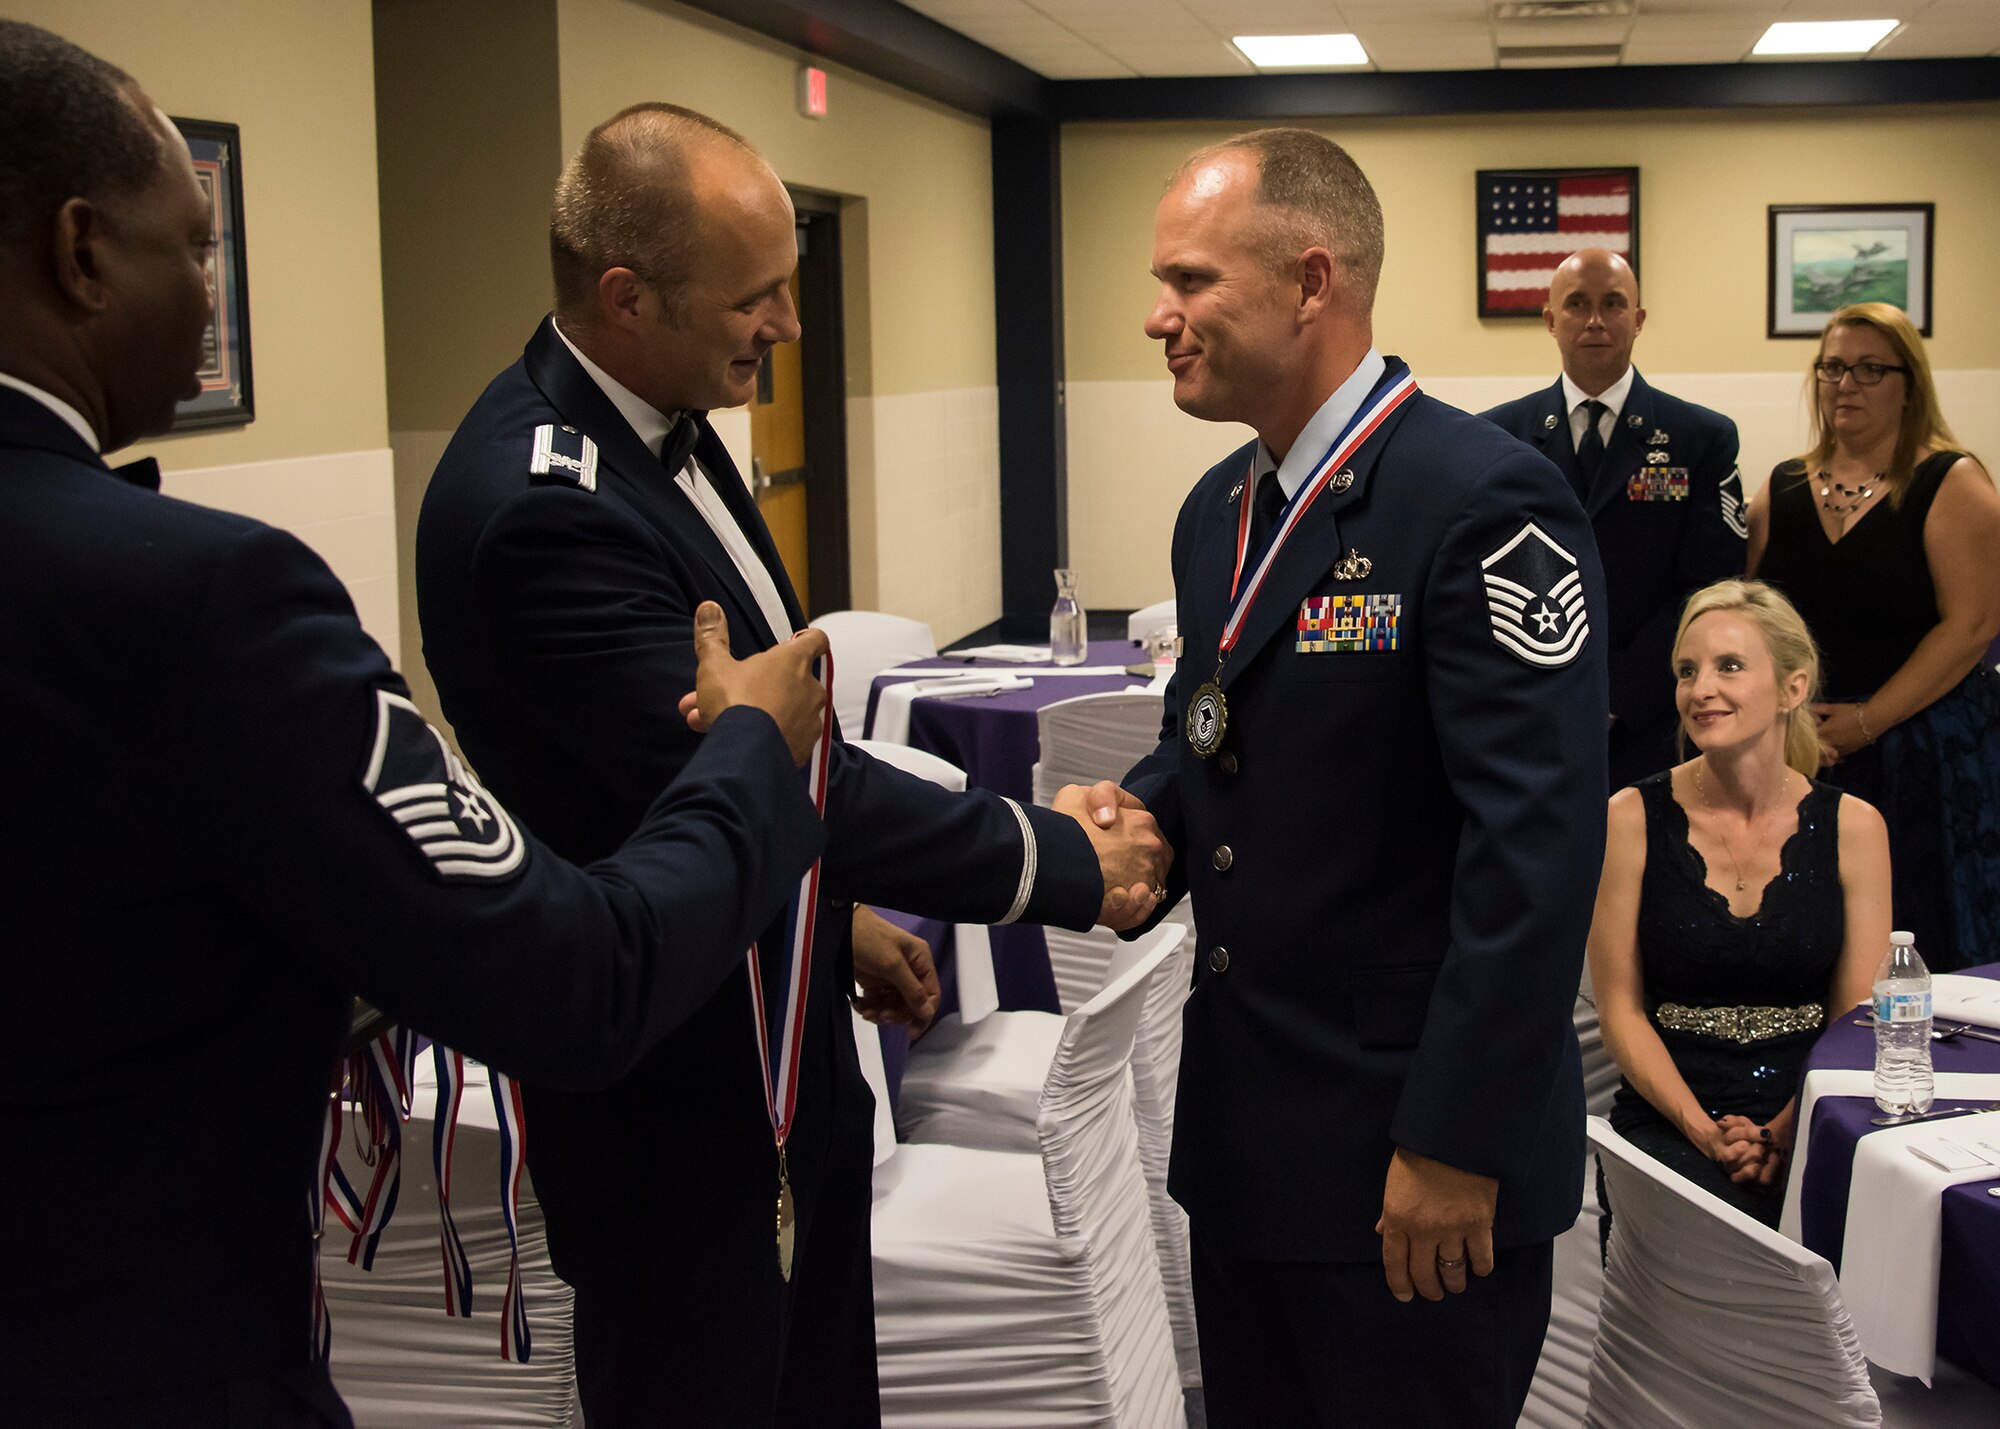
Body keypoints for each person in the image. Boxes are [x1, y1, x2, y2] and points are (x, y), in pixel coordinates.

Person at [0, 22, 841, 1427]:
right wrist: (751, 748)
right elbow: (573, 979)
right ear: (82, 253)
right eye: (198, 250)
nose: (214, 300)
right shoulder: (204, 598)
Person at [414, 103, 1168, 1426]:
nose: (791, 326)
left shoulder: (678, 420)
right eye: (757, 295)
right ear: (626, 297)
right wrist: (1049, 858)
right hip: (673, 1100)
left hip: (780, 1032)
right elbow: (767, 773)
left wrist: (844, 926)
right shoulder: (542, 515)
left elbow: (765, 761)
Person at [1096, 128, 1610, 1426]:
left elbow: (1535, 852)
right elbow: (1211, 738)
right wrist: (1136, 819)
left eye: (1192, 281)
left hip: (1414, 1165)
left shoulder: (1488, 502)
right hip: (1254, 1140)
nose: (1159, 316)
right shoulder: (1220, 510)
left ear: (1311, 281)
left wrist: (1452, 1141)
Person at [1588, 580, 1890, 1227]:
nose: (1700, 689)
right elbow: (1619, 1011)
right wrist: (1702, 1130)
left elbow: (1854, 1017)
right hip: (1669, 1112)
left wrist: (1784, 1129)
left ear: (1793, 687)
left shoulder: (1857, 827)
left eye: (1729, 666)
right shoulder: (1630, 817)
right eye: (1686, 671)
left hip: (1815, 1109)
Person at [1749, 302, 2000, 972]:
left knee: (1923, 940)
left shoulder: (1952, 482)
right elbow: (1756, 622)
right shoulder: (1781, 489)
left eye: (1868, 369)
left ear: (1908, 384)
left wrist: (1866, 720)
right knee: (1814, 944)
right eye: (1832, 367)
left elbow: (1973, 625)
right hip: (1807, 752)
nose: (1845, 384)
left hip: (1925, 751)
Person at [1481, 248, 1745, 791]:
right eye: (1577, 304)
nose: (1595, 320)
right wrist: (1552, 690)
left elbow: (1711, 586)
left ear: (1639, 320)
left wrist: (1619, 697)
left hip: (1659, 717)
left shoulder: (1700, 439)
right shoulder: (1496, 439)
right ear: (1551, 320)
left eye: (1613, 304)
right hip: (1533, 714)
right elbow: (1486, 577)